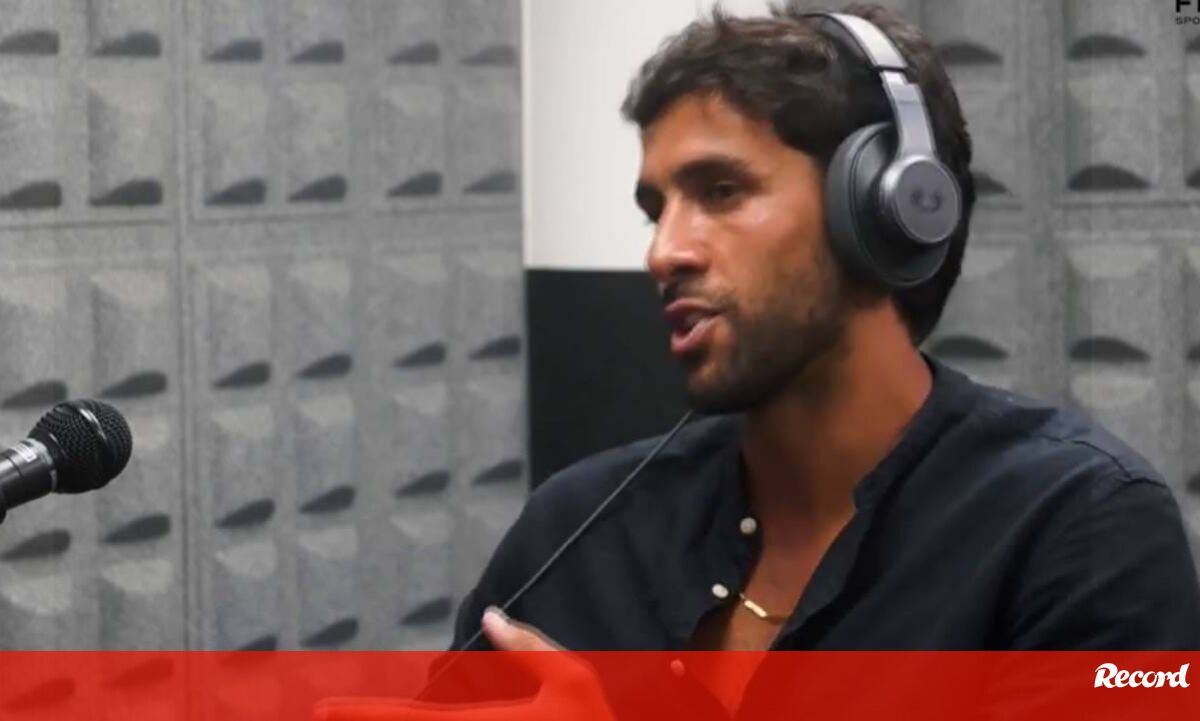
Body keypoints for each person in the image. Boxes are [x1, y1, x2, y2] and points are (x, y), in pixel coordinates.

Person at [418, 1, 1200, 714]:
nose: (664, 251)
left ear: (884, 210)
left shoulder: (1082, 530)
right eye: (657, 210)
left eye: (720, 191)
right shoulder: (577, 527)